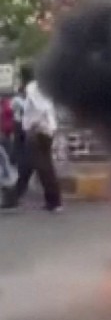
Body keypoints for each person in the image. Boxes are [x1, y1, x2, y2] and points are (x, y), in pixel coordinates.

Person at [2, 66, 62, 212]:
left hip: (38, 132)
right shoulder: (42, 86)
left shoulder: (33, 88)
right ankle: (16, 197)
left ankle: (53, 201)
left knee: (40, 167)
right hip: (43, 131)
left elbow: (41, 108)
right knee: (31, 165)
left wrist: (33, 125)